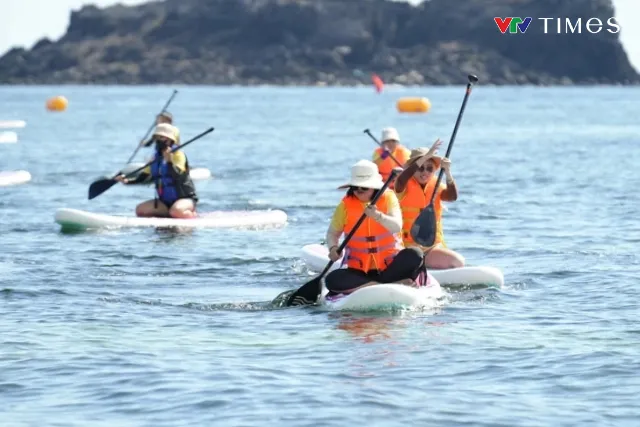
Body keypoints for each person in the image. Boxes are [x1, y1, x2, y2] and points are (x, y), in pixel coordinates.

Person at [323, 159, 426, 295]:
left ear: (374, 188)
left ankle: (380, 285)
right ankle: (385, 286)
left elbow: (396, 226)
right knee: (331, 279)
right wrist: (333, 248)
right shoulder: (345, 205)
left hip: (391, 269)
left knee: (415, 254)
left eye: (364, 188)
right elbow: (332, 233)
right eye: (355, 187)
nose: (358, 191)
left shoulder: (389, 198)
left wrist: (377, 215)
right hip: (360, 273)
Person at [394, 139, 465, 269]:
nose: (425, 172)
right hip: (407, 248)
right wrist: (426, 156)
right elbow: (403, 177)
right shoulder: (402, 185)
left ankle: (427, 268)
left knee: (458, 262)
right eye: (420, 168)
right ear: (413, 168)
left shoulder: (437, 186)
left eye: (429, 168)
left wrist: (448, 172)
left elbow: (452, 197)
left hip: (431, 247)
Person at [116, 123, 197, 218]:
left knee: (176, 211)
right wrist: (127, 181)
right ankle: (170, 213)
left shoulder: (178, 155)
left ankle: (191, 215)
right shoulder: (155, 158)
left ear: (170, 140)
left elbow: (177, 175)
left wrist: (169, 162)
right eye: (157, 137)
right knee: (140, 210)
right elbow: (143, 177)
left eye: (162, 137)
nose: (158, 140)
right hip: (165, 201)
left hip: (185, 199)